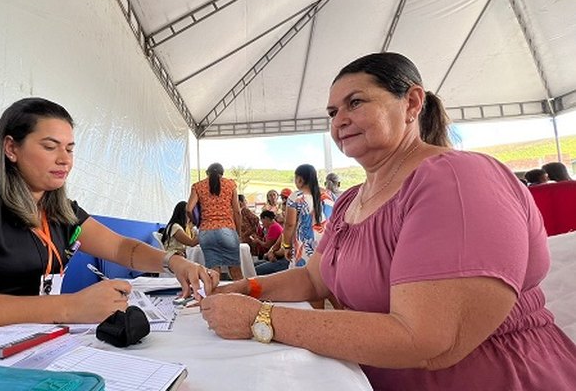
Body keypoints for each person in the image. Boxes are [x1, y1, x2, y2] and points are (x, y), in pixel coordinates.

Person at [200, 52, 576, 390]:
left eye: (355, 103)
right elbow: (313, 278)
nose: (340, 121)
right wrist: (245, 289)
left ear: (412, 102)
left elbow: (428, 340)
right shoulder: (351, 199)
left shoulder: (455, 179)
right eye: (332, 113)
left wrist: (259, 318)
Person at [0, 98, 217, 346]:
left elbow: (120, 247)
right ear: (11, 148)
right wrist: (71, 307)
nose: (64, 159)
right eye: (50, 147)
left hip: (16, 350)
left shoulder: (58, 209)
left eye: (70, 149)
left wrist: (171, 262)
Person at [187, 163, 243, 280]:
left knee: (213, 273)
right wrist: (238, 232)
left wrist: (197, 222)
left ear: (207, 173)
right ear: (222, 173)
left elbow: (188, 209)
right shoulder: (230, 185)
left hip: (206, 232)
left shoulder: (198, 186)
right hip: (227, 229)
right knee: (235, 271)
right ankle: (242, 297)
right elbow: (237, 212)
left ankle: (215, 297)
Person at [280, 164, 325, 268]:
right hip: (326, 245)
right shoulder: (330, 195)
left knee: (302, 277)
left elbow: (289, 225)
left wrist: (286, 246)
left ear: (300, 179)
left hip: (304, 246)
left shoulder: (296, 197)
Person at [252, 210, 287, 275]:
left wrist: (272, 253)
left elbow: (282, 251)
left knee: (254, 270)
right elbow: (276, 245)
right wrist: (271, 252)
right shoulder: (281, 229)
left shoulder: (274, 227)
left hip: (283, 259)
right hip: (277, 256)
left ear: (266, 218)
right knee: (252, 266)